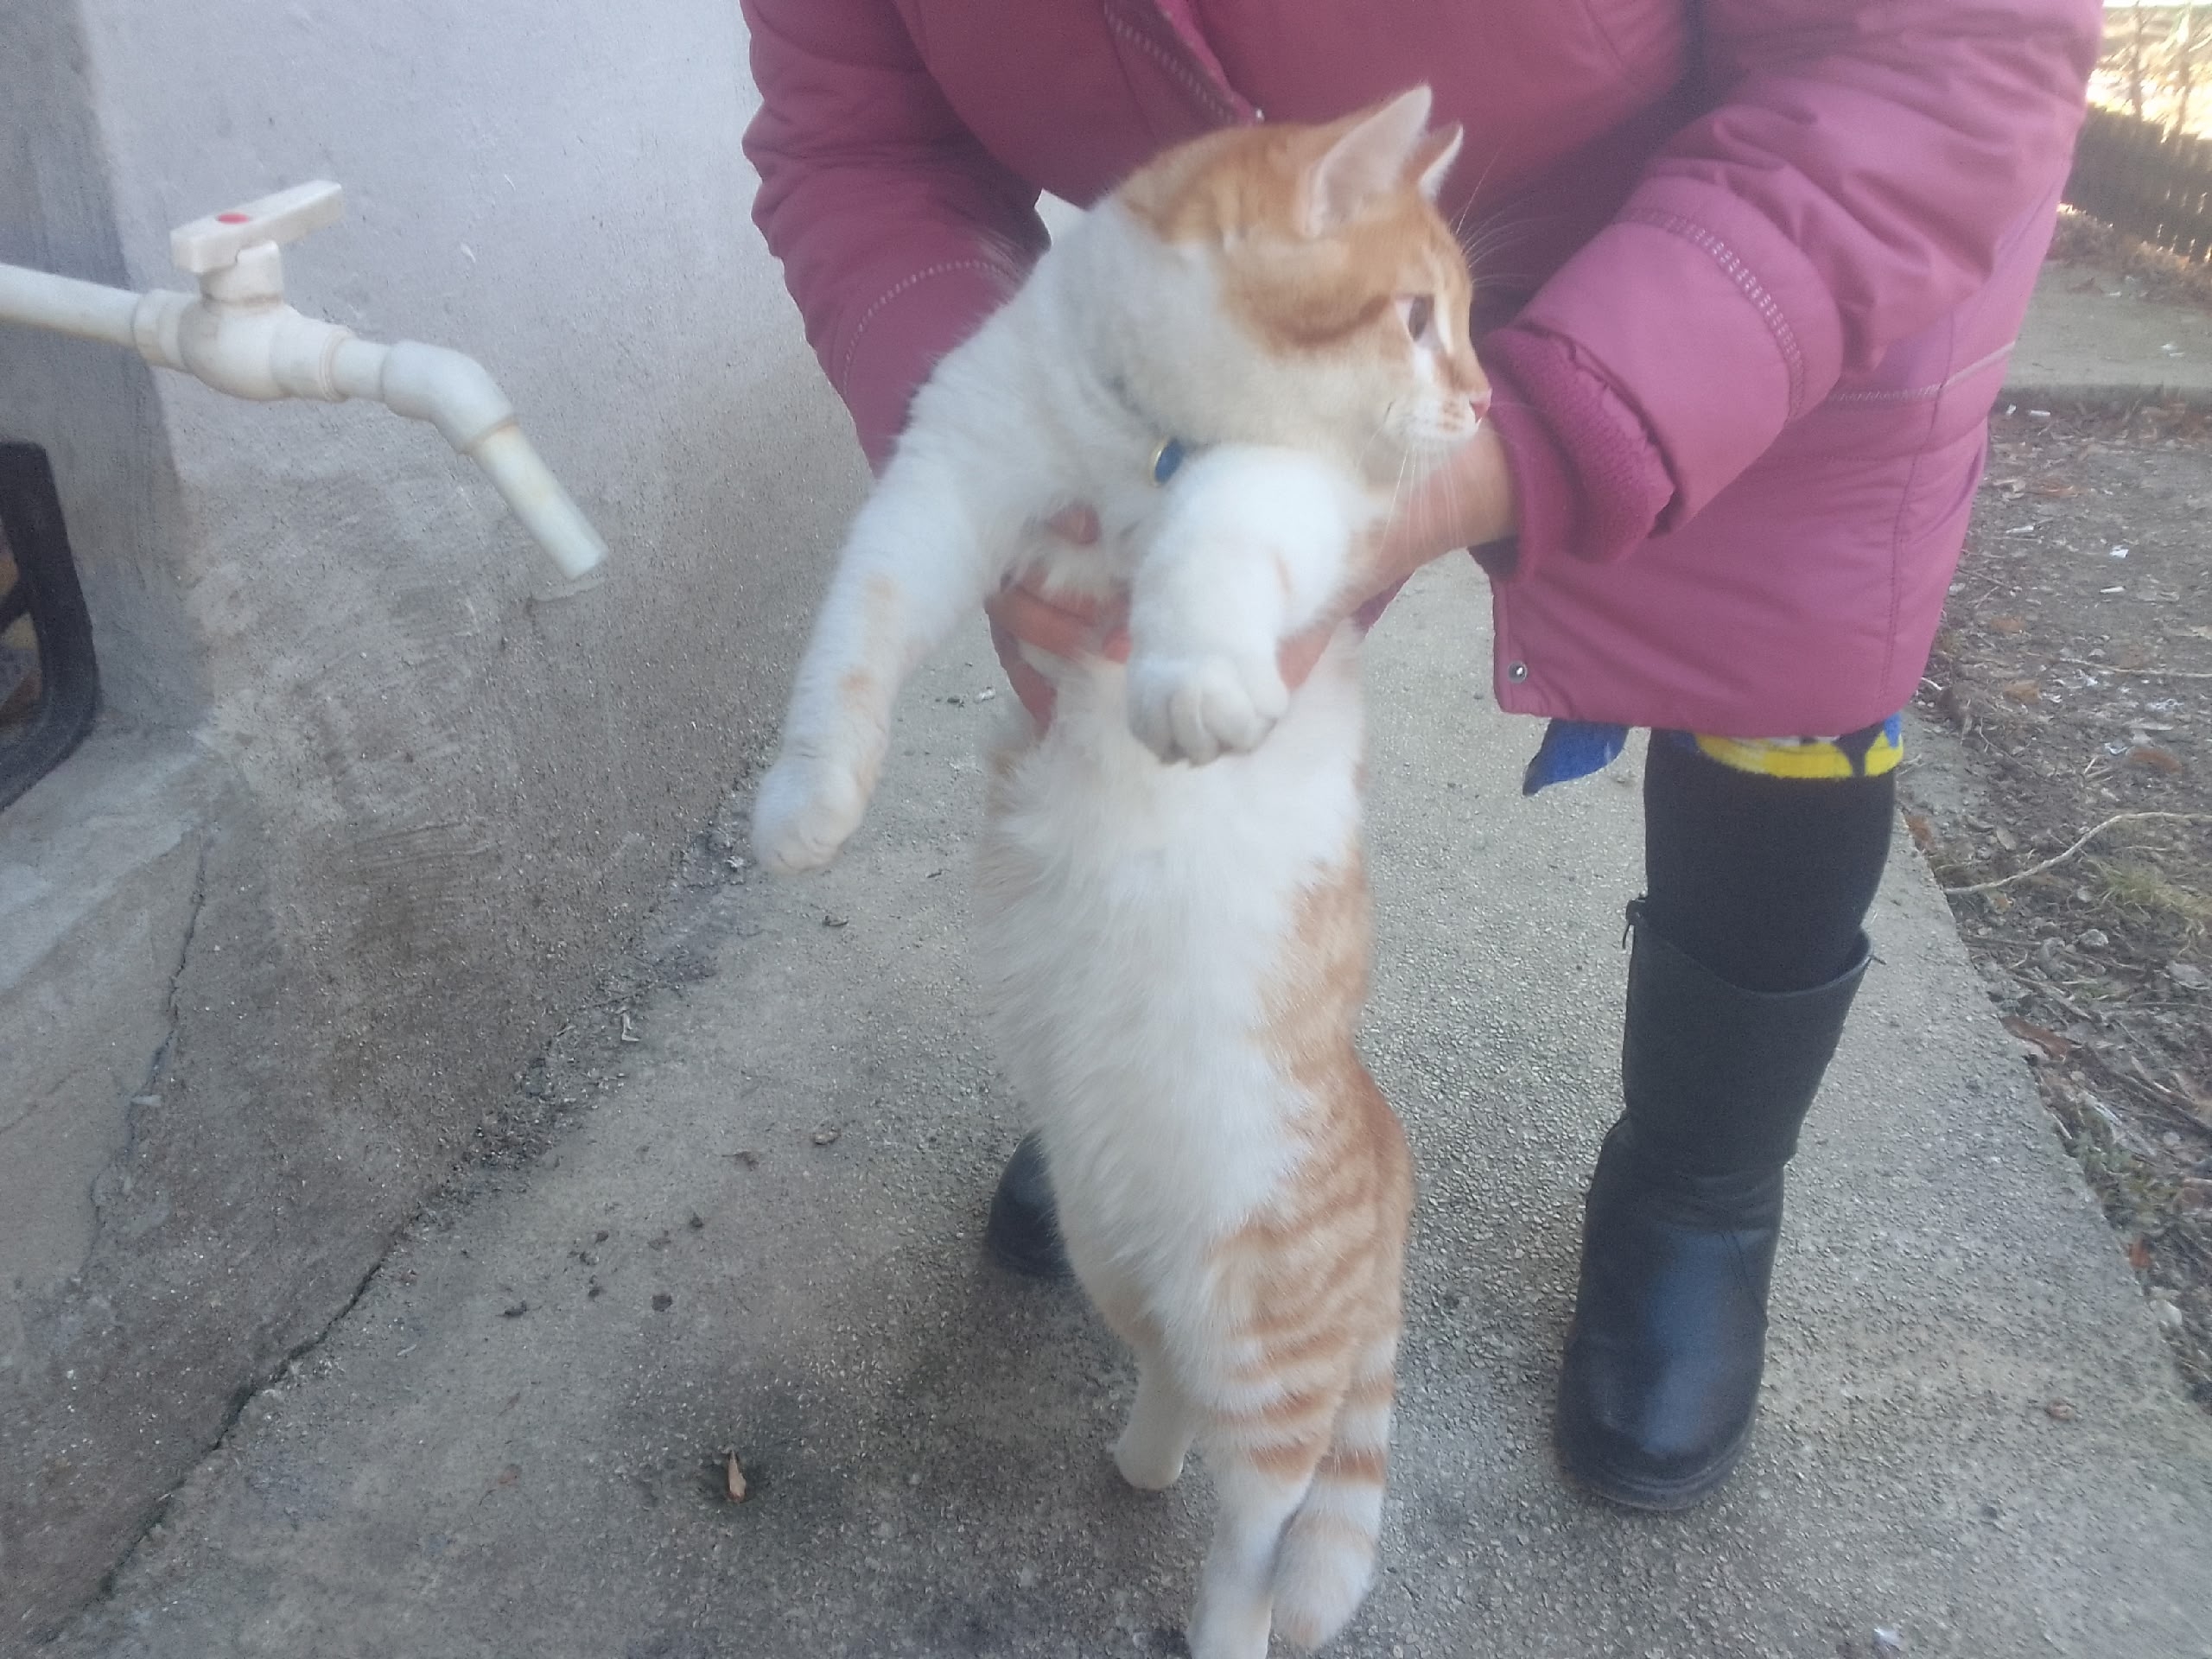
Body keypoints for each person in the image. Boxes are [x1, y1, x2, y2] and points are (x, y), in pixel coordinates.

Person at [738, 0, 2101, 1510]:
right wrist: (998, 445)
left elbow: (1935, 59)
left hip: (1793, 220)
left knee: (1786, 681)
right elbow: (862, 141)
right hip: (1269, 270)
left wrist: (1499, 460)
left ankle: (1699, 1185)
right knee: (1177, 678)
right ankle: (1168, 1081)